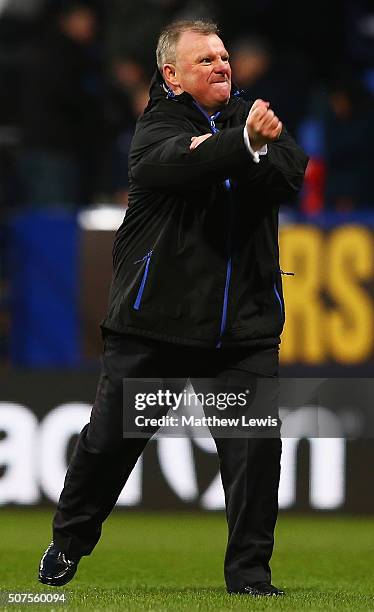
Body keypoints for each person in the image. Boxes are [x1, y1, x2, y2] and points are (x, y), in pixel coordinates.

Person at [38, 19, 308, 596]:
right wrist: (246, 146)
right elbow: (181, 165)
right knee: (110, 445)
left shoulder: (255, 116)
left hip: (242, 325)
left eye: (224, 55)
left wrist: (253, 145)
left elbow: (289, 176)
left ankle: (250, 579)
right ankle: (68, 542)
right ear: (172, 75)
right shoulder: (156, 126)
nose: (221, 66)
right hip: (154, 322)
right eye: (205, 59)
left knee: (255, 452)